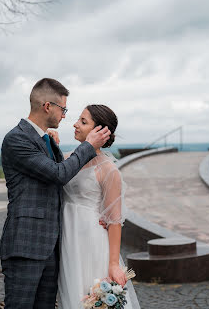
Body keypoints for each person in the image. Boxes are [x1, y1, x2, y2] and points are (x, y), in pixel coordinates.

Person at [0, 78, 111, 309]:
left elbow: (64, 187)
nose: (65, 116)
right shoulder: (17, 138)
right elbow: (59, 174)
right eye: (63, 109)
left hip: (53, 247)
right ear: (47, 106)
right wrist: (87, 146)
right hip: (26, 245)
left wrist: (96, 214)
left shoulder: (45, 140)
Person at [57, 105, 141, 309]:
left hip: (91, 244)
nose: (75, 124)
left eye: (83, 122)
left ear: (100, 131)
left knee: (88, 295)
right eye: (79, 119)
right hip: (66, 238)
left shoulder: (108, 170)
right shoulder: (66, 159)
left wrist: (113, 264)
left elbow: (114, 221)